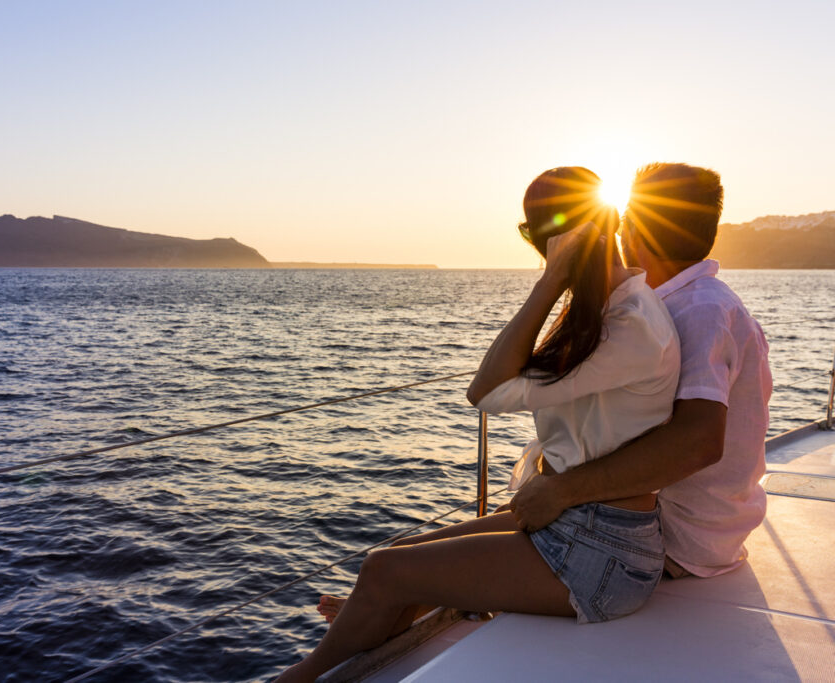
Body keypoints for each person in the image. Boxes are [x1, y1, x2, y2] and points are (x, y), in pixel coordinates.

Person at [275, 167, 680, 682]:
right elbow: (497, 387)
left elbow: (483, 392)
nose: (536, 249)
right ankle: (368, 631)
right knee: (398, 559)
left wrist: (551, 280)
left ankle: (298, 678)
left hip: (603, 556)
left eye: (535, 236)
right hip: (576, 525)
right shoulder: (605, 309)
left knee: (384, 571)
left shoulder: (630, 325)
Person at [507, 163, 772, 580]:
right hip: (673, 525)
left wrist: (562, 490)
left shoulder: (700, 311)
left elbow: (699, 441)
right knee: (425, 560)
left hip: (671, 536)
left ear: (633, 229)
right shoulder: (686, 303)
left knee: (414, 571)